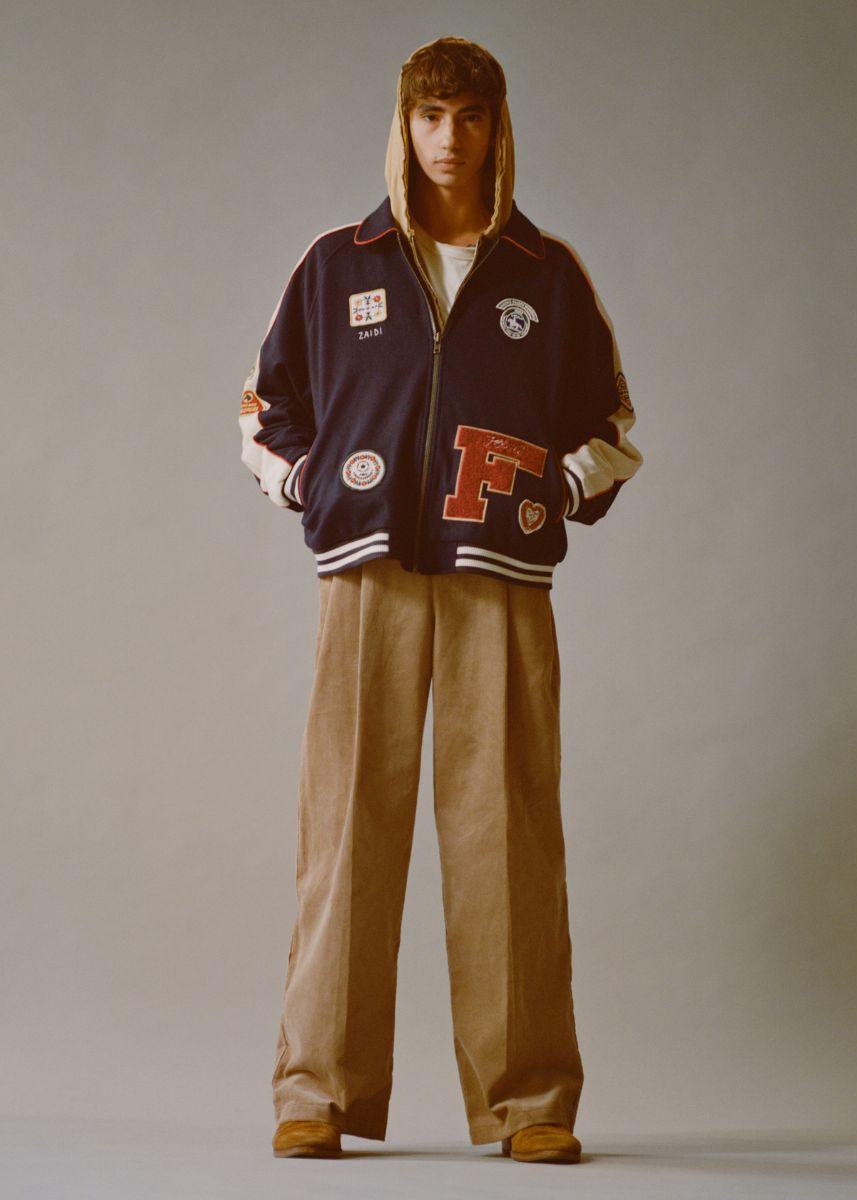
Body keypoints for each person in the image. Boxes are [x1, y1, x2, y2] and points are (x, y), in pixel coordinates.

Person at [239, 35, 642, 1165]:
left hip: (495, 588)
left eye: (468, 117)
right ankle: (315, 1088)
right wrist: (310, 484)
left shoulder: (546, 275)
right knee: (344, 838)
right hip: (366, 579)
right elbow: (264, 412)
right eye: (429, 117)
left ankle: (528, 1102)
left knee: (505, 836)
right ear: (402, 126)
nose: (448, 139)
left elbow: (610, 430)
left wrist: (549, 494)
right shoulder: (337, 265)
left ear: (496, 125)